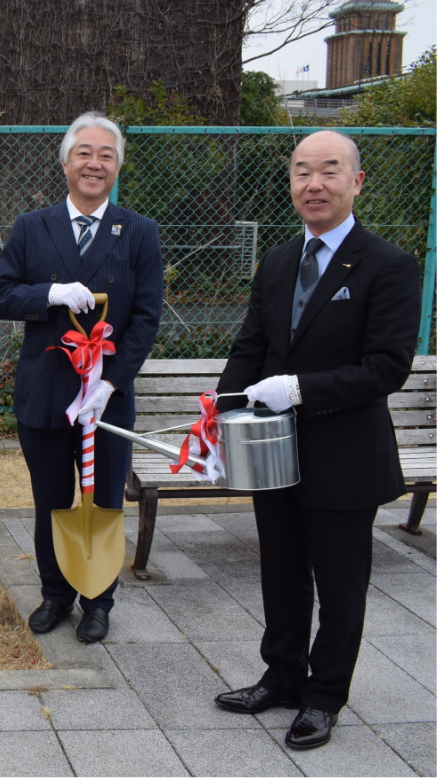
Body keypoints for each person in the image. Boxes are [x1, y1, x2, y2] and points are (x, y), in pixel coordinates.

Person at [212, 130, 421, 750]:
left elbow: (387, 367)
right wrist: (221, 414)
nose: (315, 184)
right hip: (273, 453)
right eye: (303, 171)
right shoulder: (278, 260)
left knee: (339, 585)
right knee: (279, 573)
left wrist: (299, 388)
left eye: (330, 171)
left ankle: (325, 697)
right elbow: (251, 346)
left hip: (344, 456)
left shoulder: (389, 264)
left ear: (356, 182)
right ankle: (281, 677)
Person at [0, 112, 163, 644]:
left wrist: (109, 384)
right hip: (46, 393)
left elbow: (147, 316)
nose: (94, 163)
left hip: (106, 399)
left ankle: (98, 600)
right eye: (84, 152)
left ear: (117, 167)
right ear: (65, 162)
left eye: (106, 155)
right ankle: (56, 594)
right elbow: (0, 297)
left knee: (105, 500)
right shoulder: (31, 227)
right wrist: (49, 294)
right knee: (53, 500)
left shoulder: (138, 231)